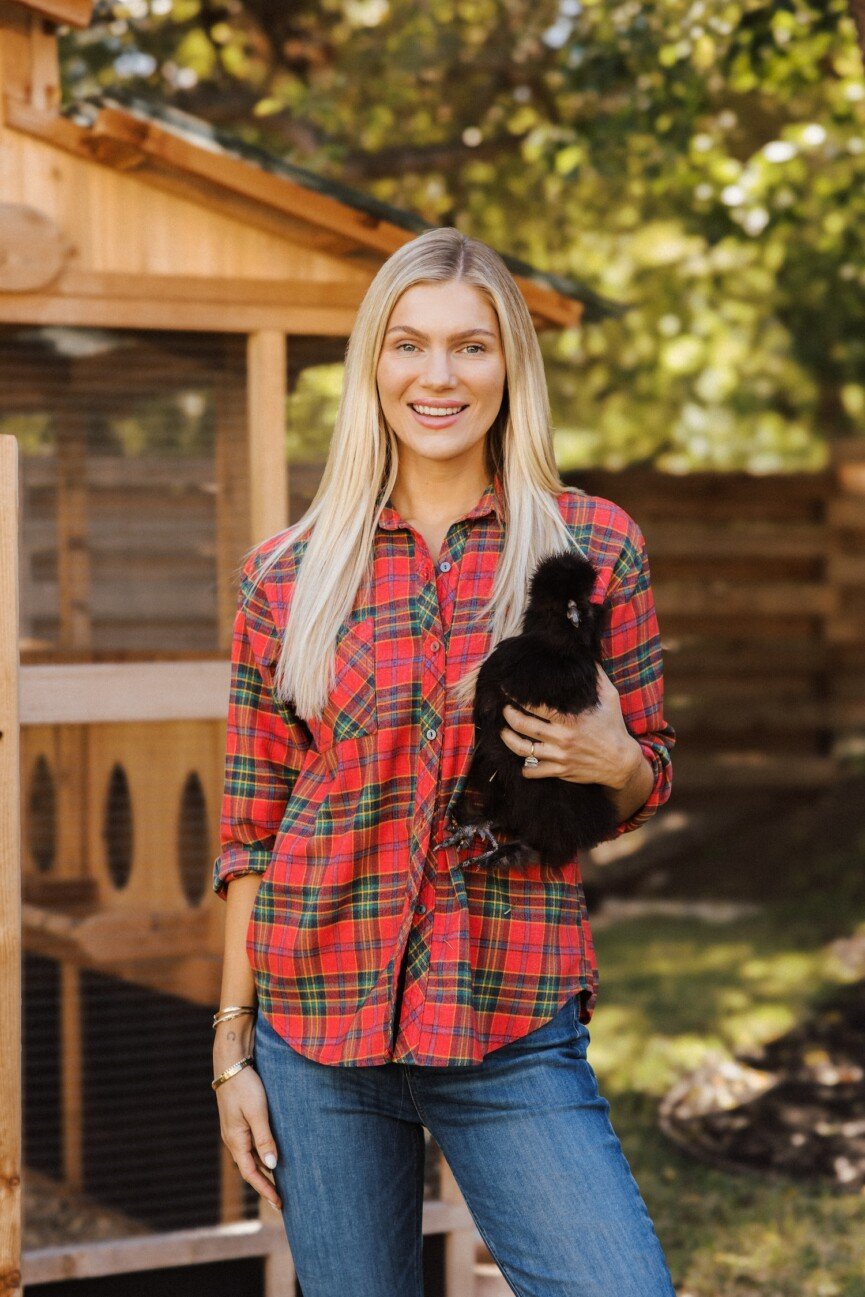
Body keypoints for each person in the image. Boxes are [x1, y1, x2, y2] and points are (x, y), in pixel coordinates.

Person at [211, 226, 678, 1296]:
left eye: (470, 346)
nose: (438, 375)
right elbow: (253, 831)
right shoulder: (283, 578)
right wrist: (231, 1049)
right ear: (373, 363)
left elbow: (648, 772)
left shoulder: (591, 548)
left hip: (509, 1020)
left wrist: (614, 758)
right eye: (409, 344)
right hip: (316, 1037)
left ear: (509, 364)